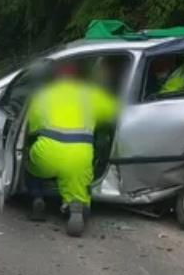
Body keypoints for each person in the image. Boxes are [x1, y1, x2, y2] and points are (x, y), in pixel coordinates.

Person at [25, 61, 119, 236]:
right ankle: (74, 207)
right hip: (79, 154)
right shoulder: (90, 94)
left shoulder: (44, 95)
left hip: (48, 151)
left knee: (31, 164)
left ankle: (36, 197)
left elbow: (31, 128)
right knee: (77, 188)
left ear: (55, 76)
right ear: (78, 76)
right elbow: (113, 115)